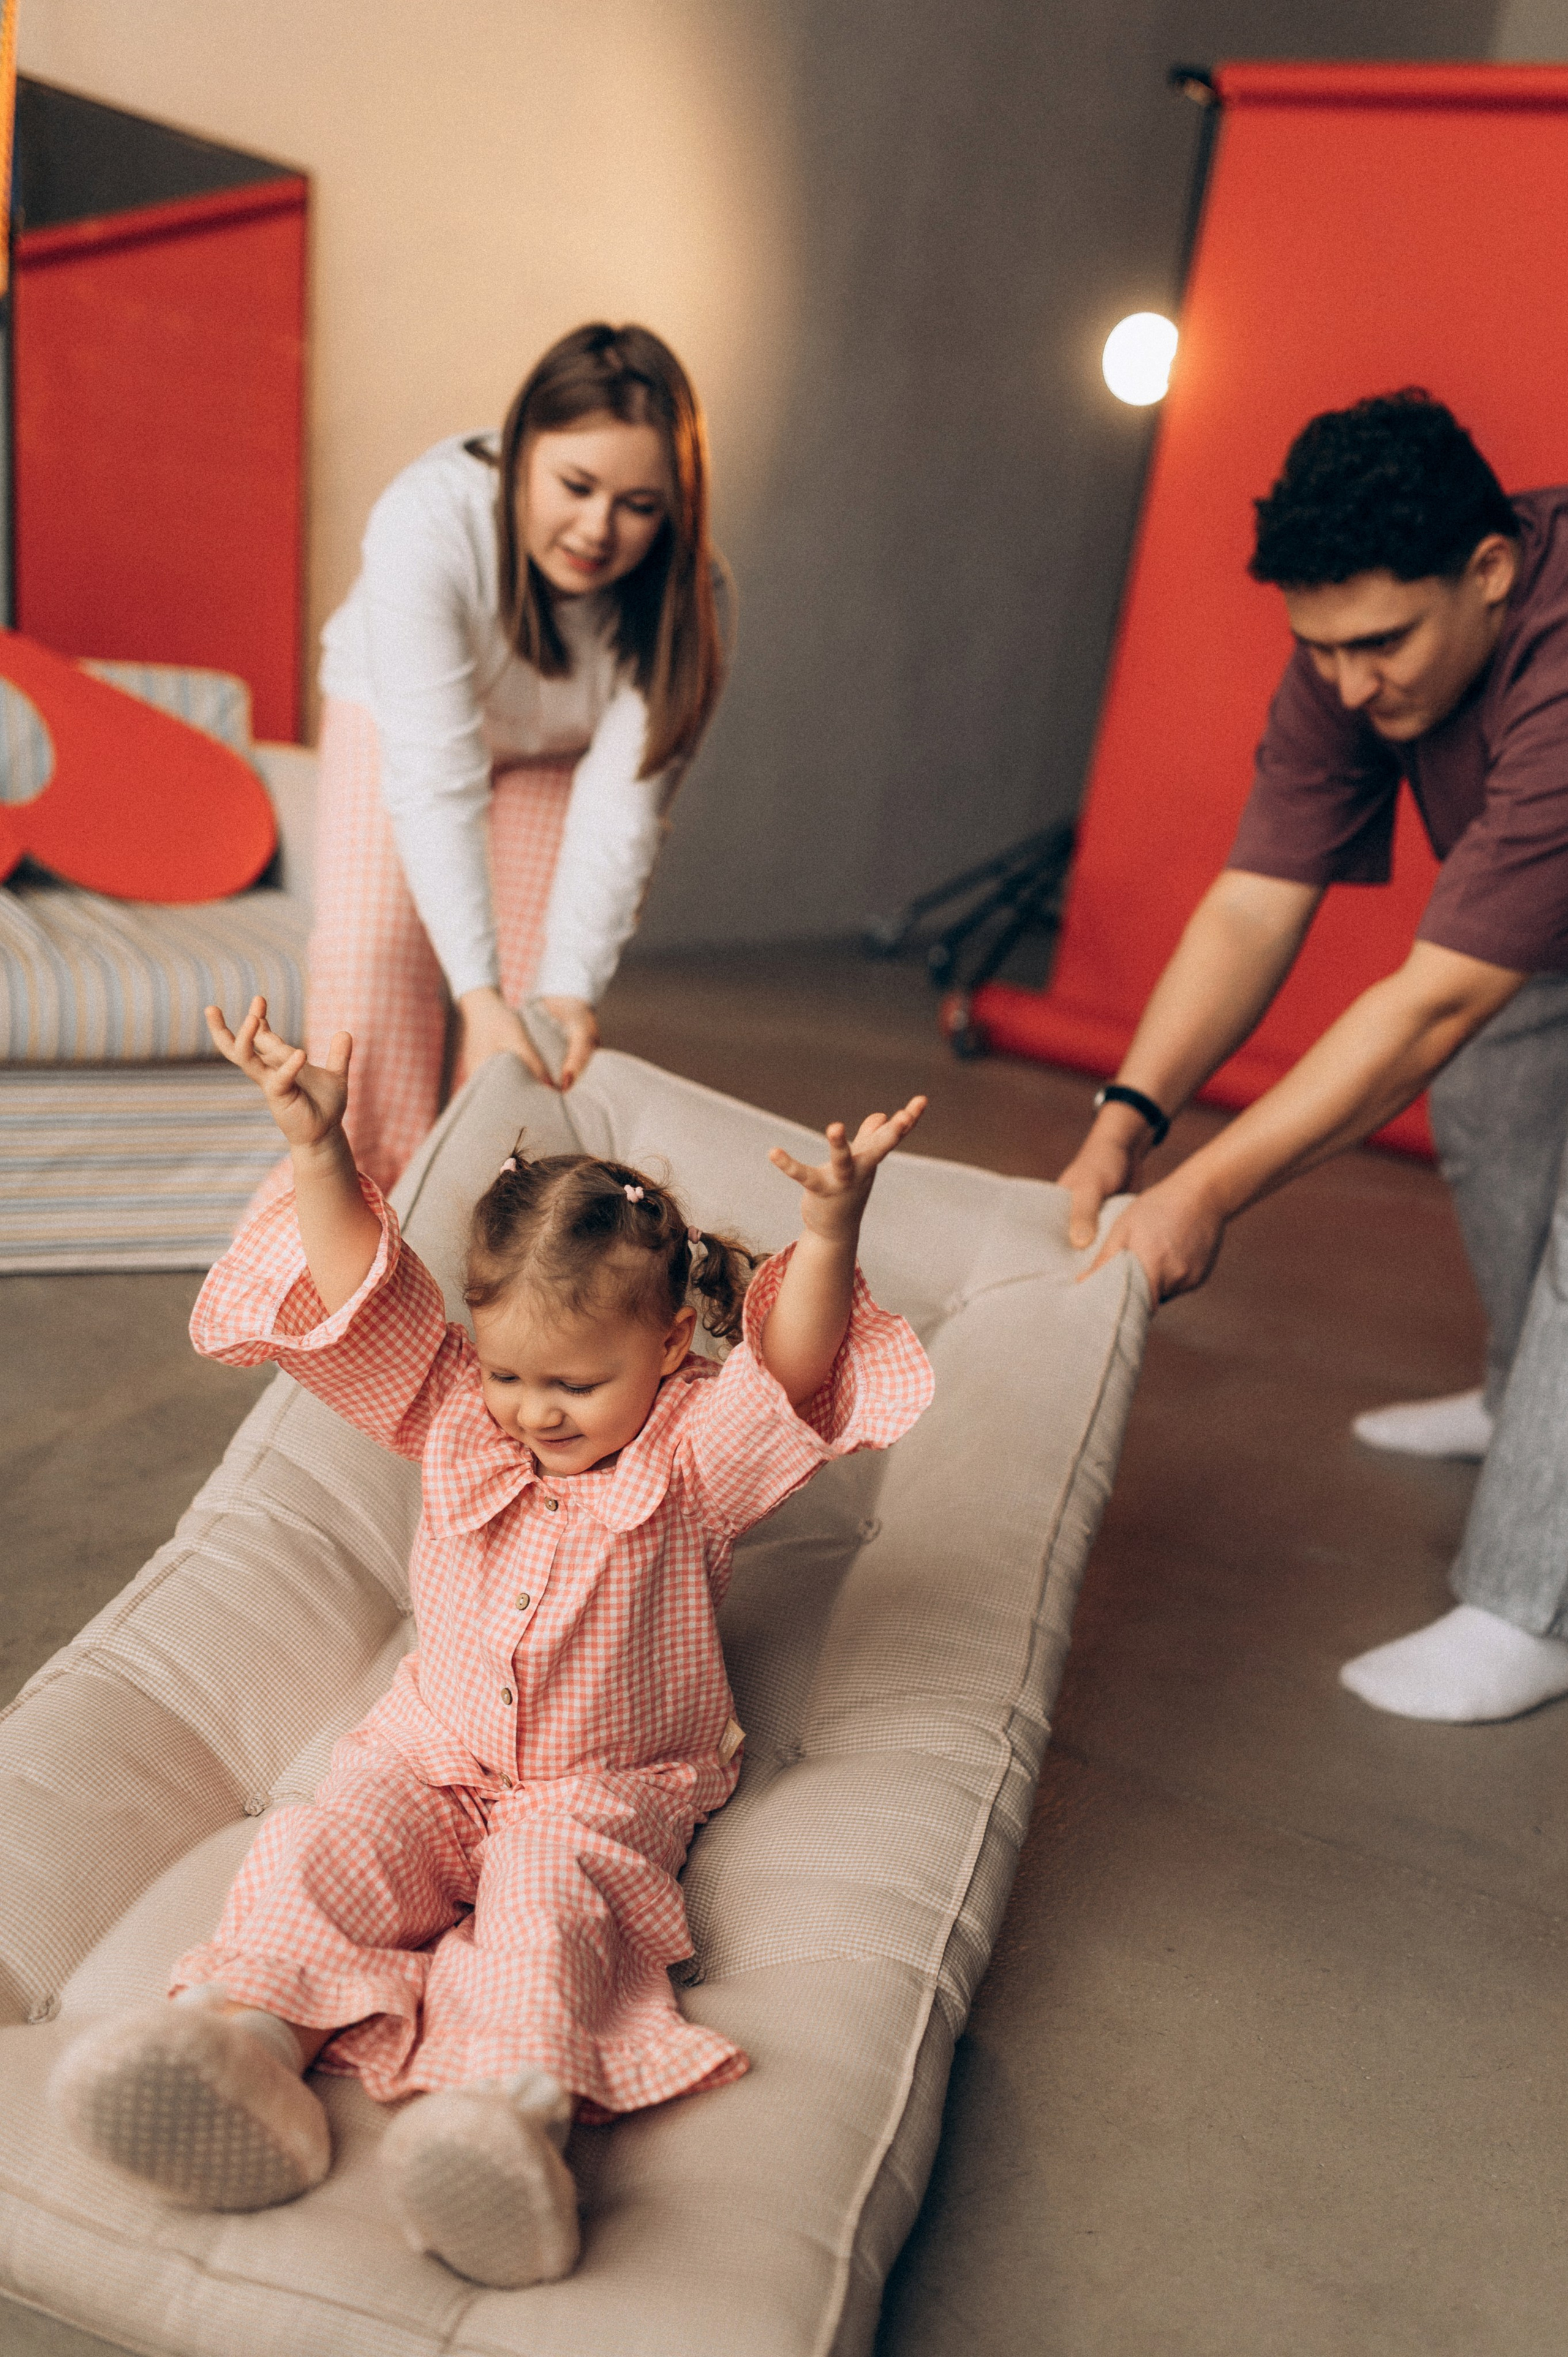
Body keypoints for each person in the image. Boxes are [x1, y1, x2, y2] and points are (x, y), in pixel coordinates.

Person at [51, 994, 932, 2290]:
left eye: (575, 1384)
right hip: (430, 1754)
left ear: (670, 1344)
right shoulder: (455, 1405)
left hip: (596, 1787)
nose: (535, 1411)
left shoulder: (696, 1454)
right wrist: (316, 1146)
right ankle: (242, 2049)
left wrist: (832, 1227)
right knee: (319, 1848)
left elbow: (794, 1373)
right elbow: (360, 1292)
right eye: (513, 1374)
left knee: (548, 1916)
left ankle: (504, 2121)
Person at [1057, 390, 1568, 1724]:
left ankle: (1532, 1601)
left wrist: (1204, 1192)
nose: (1348, 685)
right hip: (1550, 933)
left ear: (1491, 571)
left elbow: (1429, 1006)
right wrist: (1125, 1120)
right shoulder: (1355, 653)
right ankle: (1527, 1404)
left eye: (1380, 645)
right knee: (1496, 1088)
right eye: (1321, 649)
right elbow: (1253, 904)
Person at [308, 320, 726, 1193]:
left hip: (555, 754)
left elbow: (622, 816)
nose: (598, 529)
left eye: (639, 505)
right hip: (401, 721)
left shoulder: (691, 602)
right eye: (576, 485)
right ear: (520, 450)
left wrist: (565, 994)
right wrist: (475, 993)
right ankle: (356, 1224)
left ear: (675, 509)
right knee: (368, 970)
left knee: (533, 1025)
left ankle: (483, 1219)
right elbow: (436, 780)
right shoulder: (427, 522)